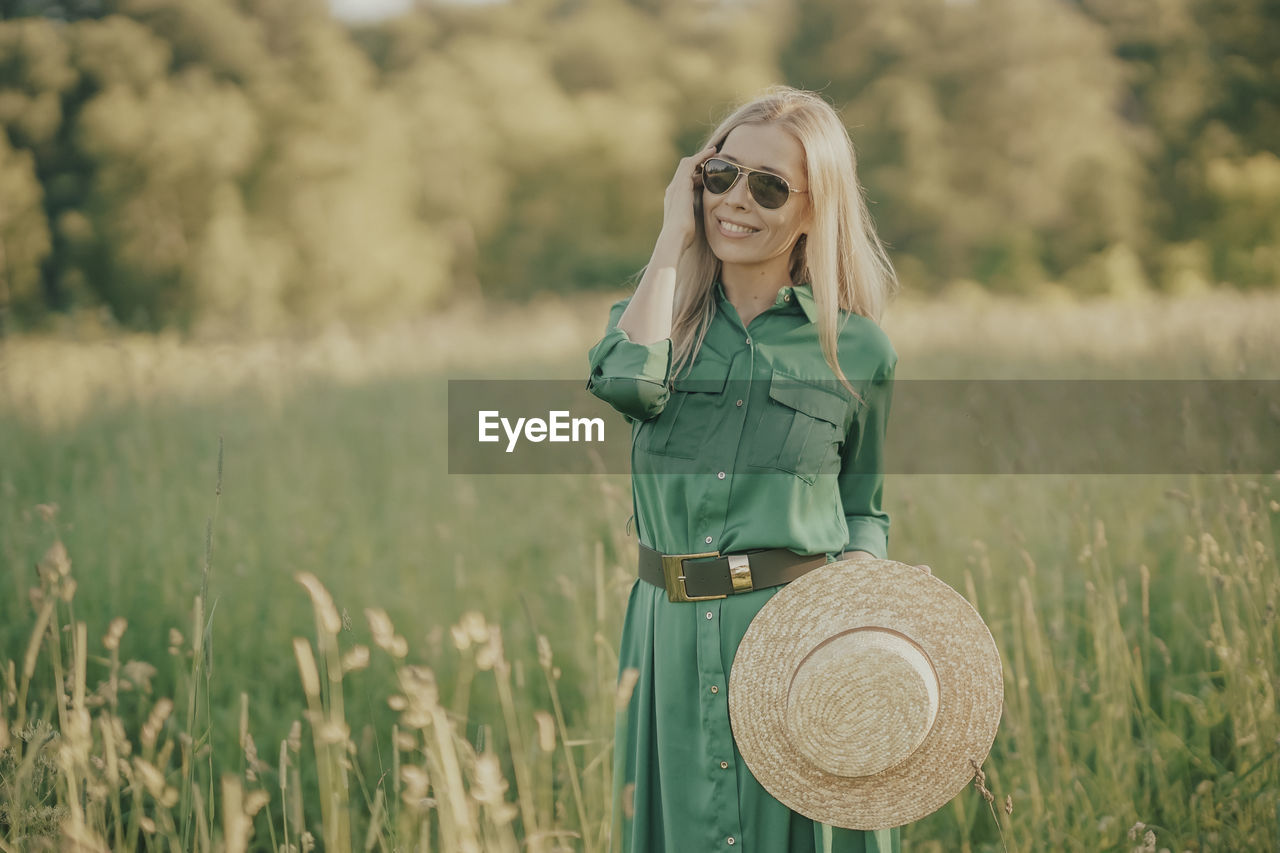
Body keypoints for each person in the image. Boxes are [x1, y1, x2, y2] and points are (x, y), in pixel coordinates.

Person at [586, 86, 904, 853]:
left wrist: (853, 623)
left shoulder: (858, 350)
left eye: (769, 187)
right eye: (721, 174)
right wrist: (673, 238)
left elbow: (865, 508)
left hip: (797, 642)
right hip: (666, 635)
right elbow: (628, 383)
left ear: (811, 209)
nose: (738, 200)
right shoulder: (648, 323)